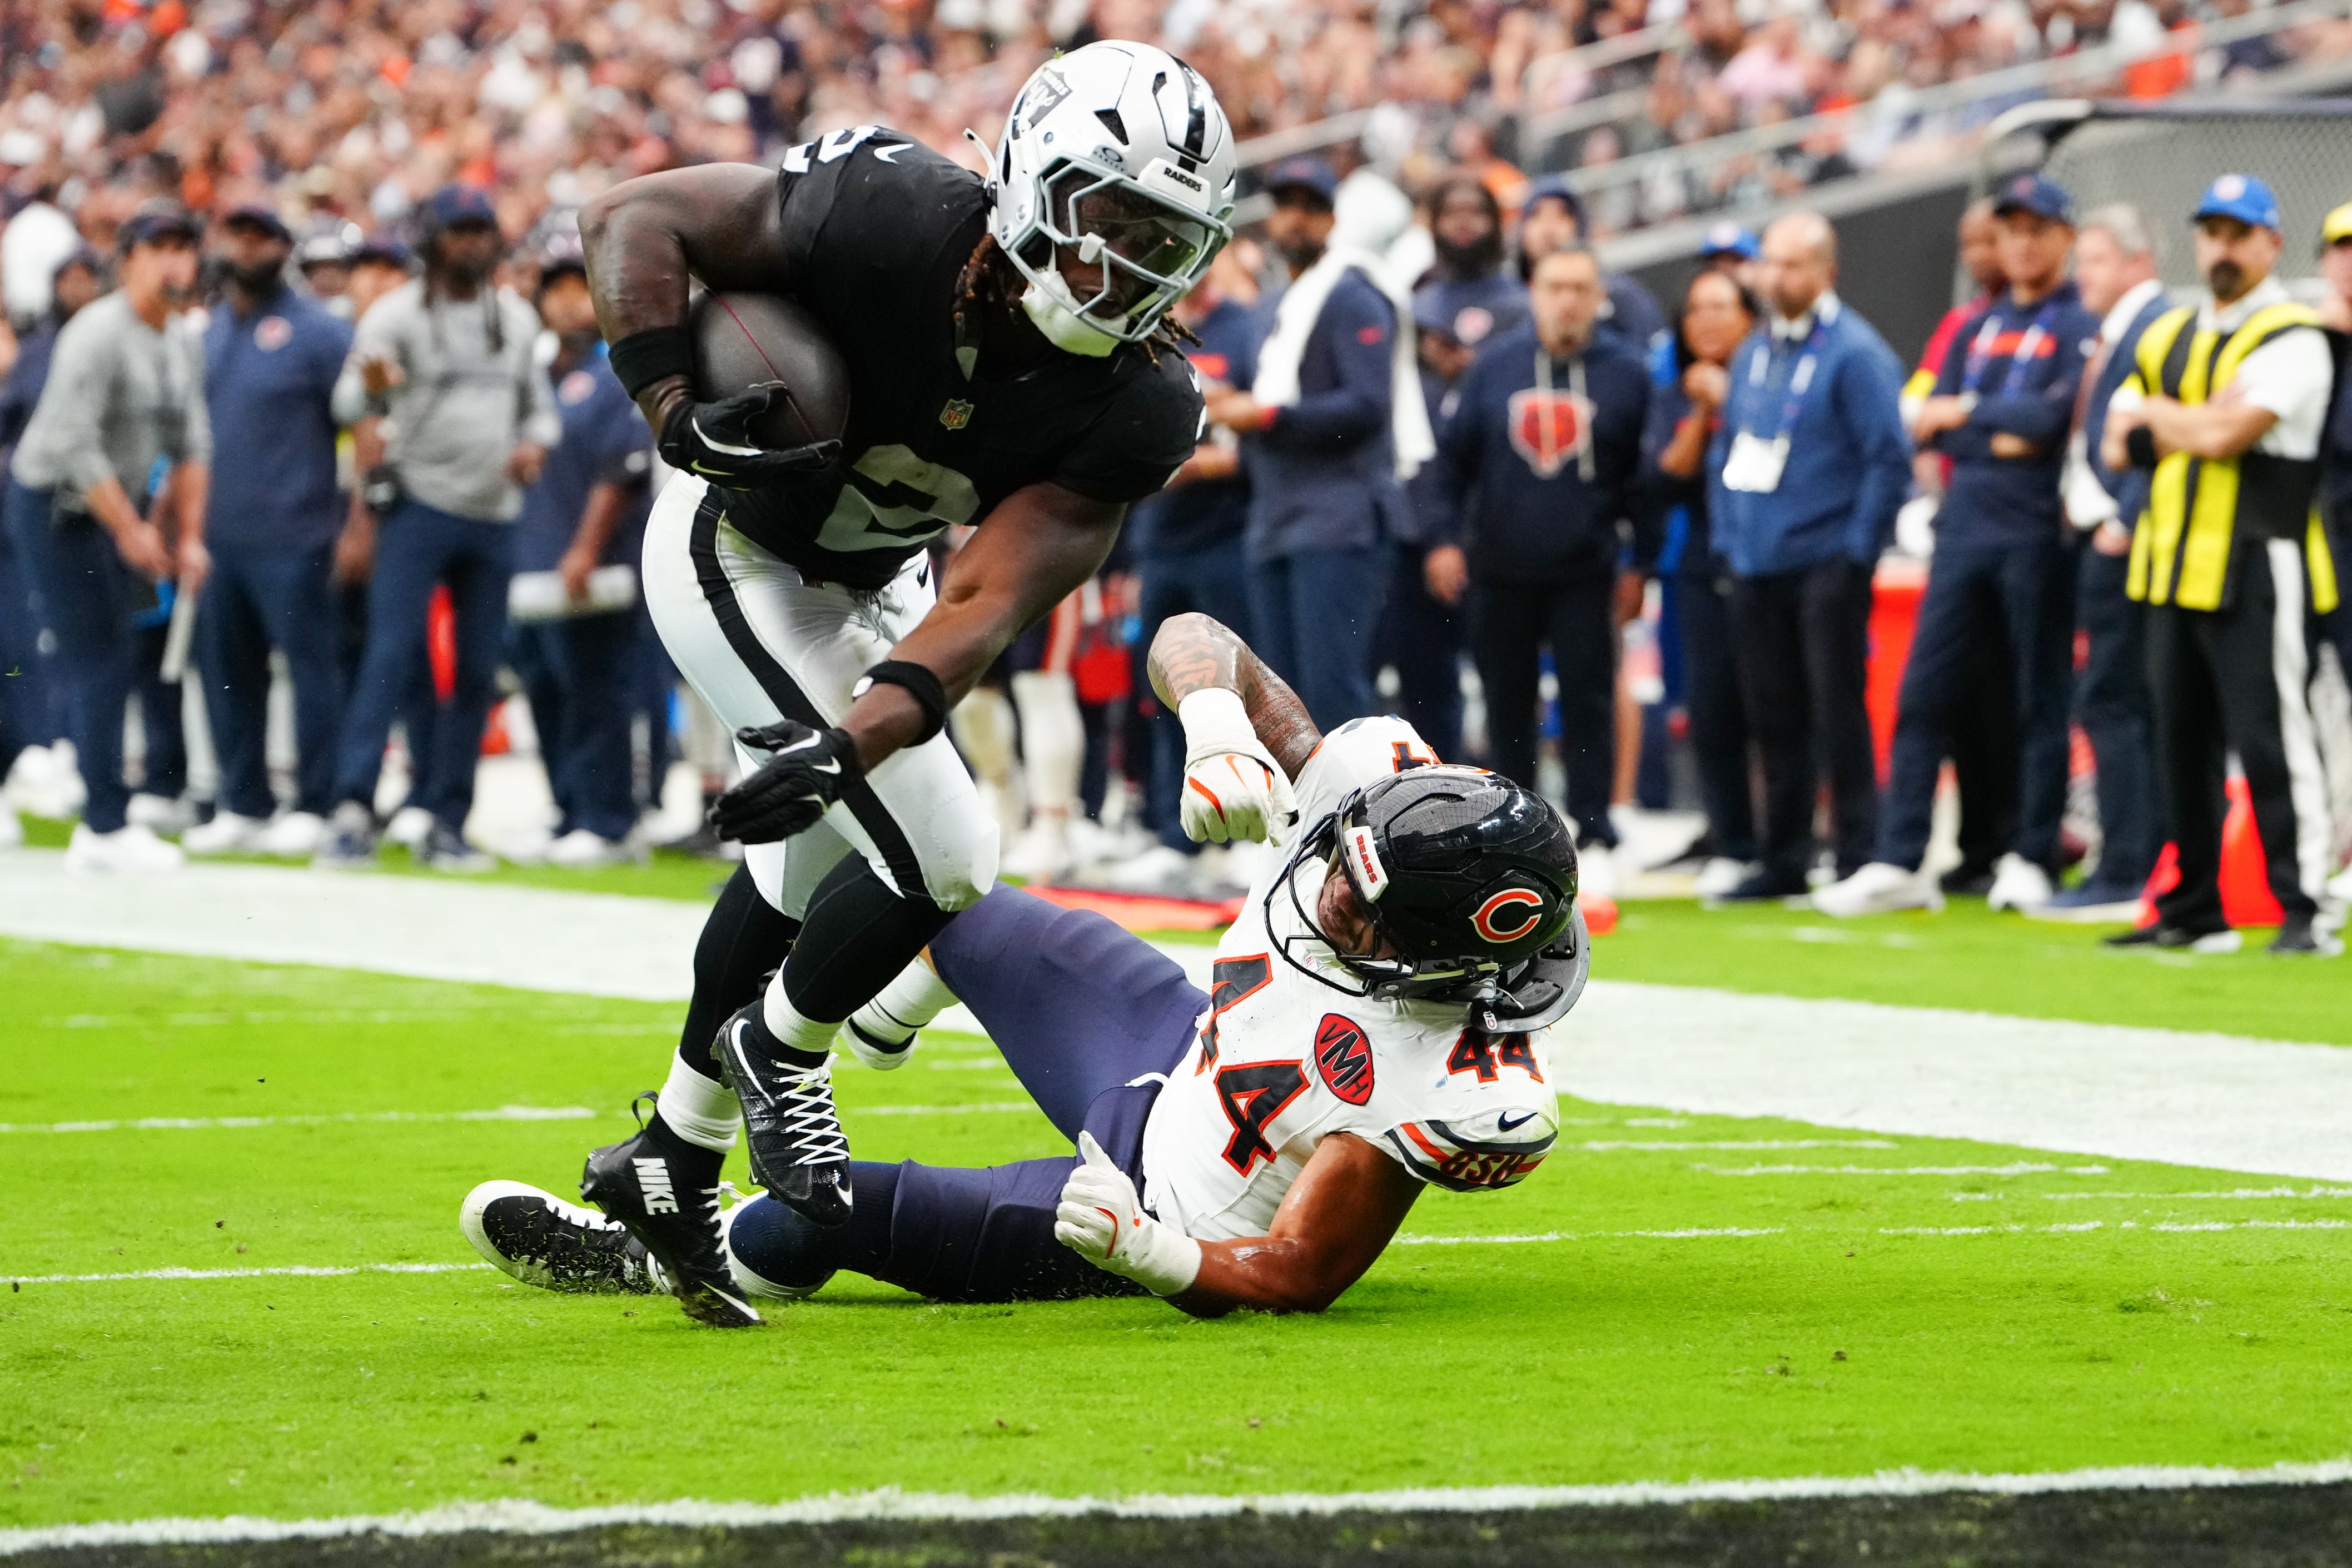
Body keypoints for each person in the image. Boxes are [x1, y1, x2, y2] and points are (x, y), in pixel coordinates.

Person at [559, 45, 1235, 1326]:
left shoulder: (1140, 403)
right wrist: (662, 399)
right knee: (948, 853)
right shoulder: (888, 215)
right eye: (1110, 224)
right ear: (1035, 185)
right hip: (737, 543)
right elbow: (629, 216)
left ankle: (672, 1157)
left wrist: (855, 736)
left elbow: (985, 604)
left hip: (880, 584)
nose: (1130, 269)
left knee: (807, 870)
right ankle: (782, 1049)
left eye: (1167, 241)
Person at [460, 610, 1583, 1321]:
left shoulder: (1457, 1085)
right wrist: (1210, 716)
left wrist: (1160, 1256)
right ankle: (889, 1012)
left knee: (817, 1217)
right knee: (954, 886)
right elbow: (1196, 632)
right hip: (1173, 1045)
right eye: (1344, 859)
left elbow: (1299, 1270)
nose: (1331, 881)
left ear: (1435, 959)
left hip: (1153, 1196)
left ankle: (659, 1254)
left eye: (1363, 902)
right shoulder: (1374, 800)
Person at [1816, 175, 2097, 918]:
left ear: (2063, 237)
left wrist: (1964, 416)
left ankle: (2032, 854)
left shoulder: (2075, 324)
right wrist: (1988, 430)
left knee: (2038, 699)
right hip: (1963, 528)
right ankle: (1900, 856)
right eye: (2011, 228)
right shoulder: (1972, 325)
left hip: (2035, 531)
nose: (2023, 241)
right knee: (1921, 694)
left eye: (2037, 227)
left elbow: (2045, 420)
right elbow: (1916, 416)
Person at [2101, 175, 2341, 956]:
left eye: (2239, 234)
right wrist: (2193, 418)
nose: (2223, 248)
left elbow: (2217, 438)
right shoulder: (2168, 332)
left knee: (2271, 735)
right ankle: (2191, 904)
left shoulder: (2293, 334)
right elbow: (2113, 442)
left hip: (2255, 559)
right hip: (2167, 562)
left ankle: (2302, 903)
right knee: (2176, 738)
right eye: (2211, 232)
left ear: (2271, 244)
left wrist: (2165, 418)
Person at [316, 185, 559, 872]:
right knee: (391, 655)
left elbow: (539, 411)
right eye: (459, 231)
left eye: (482, 230)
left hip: (493, 515)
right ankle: (354, 807)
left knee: (478, 672)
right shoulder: (394, 315)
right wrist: (373, 384)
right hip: (419, 504)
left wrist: (533, 446)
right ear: (432, 240)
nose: (473, 243)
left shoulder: (511, 319)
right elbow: (347, 401)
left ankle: (447, 818)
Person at [1425, 244, 1652, 894]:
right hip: (1499, 566)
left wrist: (1641, 563)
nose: (1567, 301)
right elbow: (1448, 467)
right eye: (1555, 287)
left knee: (1587, 700)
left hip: (1587, 568)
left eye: (1581, 288)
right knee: (1506, 703)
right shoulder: (1492, 368)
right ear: (1533, 292)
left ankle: (1594, 827)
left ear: (1599, 294)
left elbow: (1644, 482)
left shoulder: (1627, 373)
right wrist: (1443, 540)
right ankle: (1512, 828)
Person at [1707, 212, 1911, 903]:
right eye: (1770, 262)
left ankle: (1857, 854)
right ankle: (1783, 858)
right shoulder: (1754, 349)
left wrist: (1856, 553)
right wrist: (1729, 537)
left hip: (1825, 557)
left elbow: (1889, 456)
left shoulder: (1854, 352)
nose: (1777, 277)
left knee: (1837, 710)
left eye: (1794, 264)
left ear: (1827, 272)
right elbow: (1726, 445)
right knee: (1773, 716)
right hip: (1757, 558)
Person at [6, 201, 212, 872]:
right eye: (162, 248)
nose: (177, 261)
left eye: (186, 247)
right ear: (131, 261)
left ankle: (102, 813)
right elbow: (72, 441)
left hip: (109, 507)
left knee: (107, 655)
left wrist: (189, 537)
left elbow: (193, 445)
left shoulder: (179, 338)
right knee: (96, 657)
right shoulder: (97, 332)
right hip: (57, 503)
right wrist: (129, 530)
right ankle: (102, 826)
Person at [1206, 156, 1418, 730]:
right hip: (1273, 519)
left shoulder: (1352, 295)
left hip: (1338, 518)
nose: (1294, 220)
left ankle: (1349, 817)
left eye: (1309, 208)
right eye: (1284, 207)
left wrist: (1269, 415)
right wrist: (1232, 401)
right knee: (1279, 704)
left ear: (1331, 221)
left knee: (1332, 692)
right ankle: (1303, 820)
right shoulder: (1270, 306)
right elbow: (1253, 398)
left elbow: (1370, 406)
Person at [181, 205, 355, 859]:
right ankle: (243, 799)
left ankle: (315, 800)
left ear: (284, 248)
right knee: (228, 673)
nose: (247, 246)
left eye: (261, 236)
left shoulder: (319, 331)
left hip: (298, 530)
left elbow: (363, 420)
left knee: (310, 670)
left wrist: (355, 521)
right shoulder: (211, 328)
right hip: (221, 533)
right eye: (238, 232)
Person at [1109, 239, 1263, 896]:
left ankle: (1241, 837)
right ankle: (1183, 836)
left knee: (1229, 694)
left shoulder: (1245, 329)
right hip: (1161, 538)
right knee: (1163, 692)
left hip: (1226, 536)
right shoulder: (1144, 326)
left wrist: (1191, 464)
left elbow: (1259, 440)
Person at [2038, 203, 2170, 921]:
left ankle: (2124, 864)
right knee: (2122, 702)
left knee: (2114, 702)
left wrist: (2124, 515)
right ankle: (2136, 857)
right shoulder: (2116, 332)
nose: (2078, 274)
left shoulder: (2150, 327)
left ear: (2134, 261)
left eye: (2091, 259)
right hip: (2103, 535)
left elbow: (2161, 426)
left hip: (2123, 542)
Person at [508, 242, 657, 868]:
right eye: (557, 288)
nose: (569, 299)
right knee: (545, 688)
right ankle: (568, 809)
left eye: (581, 286)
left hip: (594, 563)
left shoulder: (616, 369)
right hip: (534, 559)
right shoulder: (534, 375)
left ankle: (610, 819)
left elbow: (620, 469)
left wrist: (585, 548)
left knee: (595, 690)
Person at [1645, 267, 1761, 897]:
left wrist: (1734, 399)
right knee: (1711, 707)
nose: (1708, 321)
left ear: (1749, 315)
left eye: (1722, 307)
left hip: (1767, 558)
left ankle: (1794, 837)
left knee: (1777, 706)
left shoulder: (1774, 374)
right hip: (1699, 559)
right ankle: (1731, 838)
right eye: (1696, 310)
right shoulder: (1677, 388)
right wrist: (1702, 407)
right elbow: (1667, 474)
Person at [0, 245, 101, 822]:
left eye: (89, 277)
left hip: (88, 512)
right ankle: (36, 753)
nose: (79, 287)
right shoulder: (35, 352)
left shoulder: (106, 343)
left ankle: (57, 748)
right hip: (25, 516)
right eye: (71, 278)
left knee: (67, 640)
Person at [1514, 173, 1667, 351]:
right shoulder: (1507, 301)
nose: (1549, 228)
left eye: (1562, 215)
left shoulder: (1620, 294)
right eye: (1536, 215)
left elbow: (1658, 357)